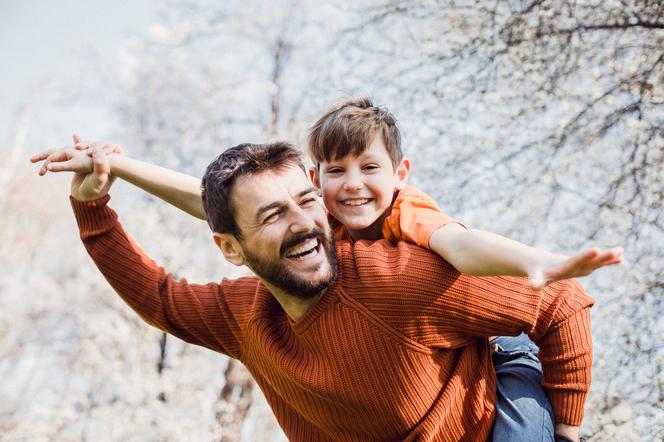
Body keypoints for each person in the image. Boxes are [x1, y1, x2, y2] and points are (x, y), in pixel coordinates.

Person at [34, 140, 601, 441]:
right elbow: (157, 296)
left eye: (309, 203)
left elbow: (562, 302)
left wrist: (569, 433)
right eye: (274, 215)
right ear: (230, 248)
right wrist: (93, 201)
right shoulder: (244, 318)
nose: (303, 223)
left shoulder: (390, 280)